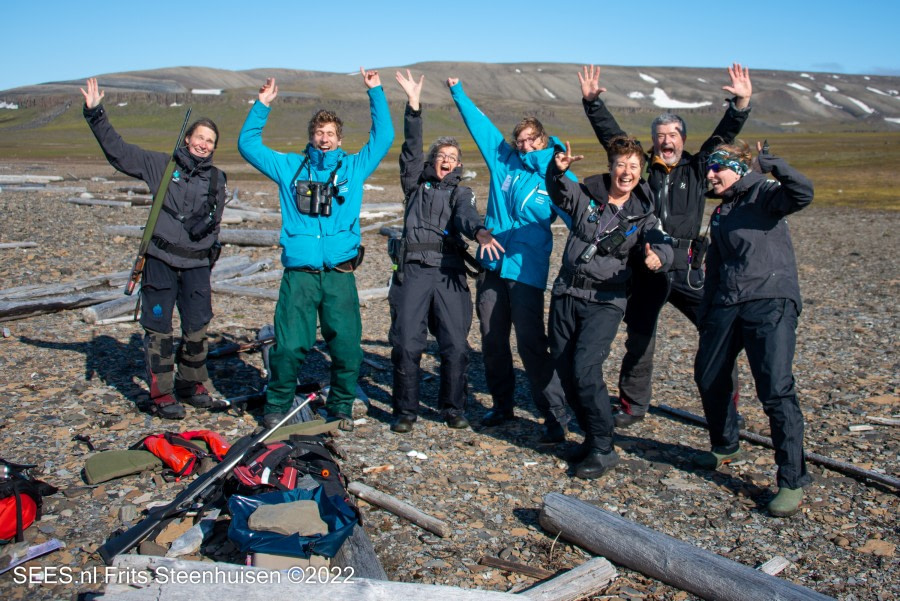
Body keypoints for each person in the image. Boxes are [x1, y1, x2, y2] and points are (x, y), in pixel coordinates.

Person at [578, 64, 752, 428]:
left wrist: (740, 103)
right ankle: (632, 406)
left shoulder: (697, 167)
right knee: (640, 338)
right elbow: (615, 139)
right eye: (659, 135)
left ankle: (728, 405)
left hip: (688, 268)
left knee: (717, 333)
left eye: (673, 134)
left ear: (683, 139)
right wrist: (593, 103)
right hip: (646, 265)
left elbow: (724, 136)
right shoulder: (644, 170)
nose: (665, 140)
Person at [237, 69, 394, 429]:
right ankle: (276, 403)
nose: (324, 138)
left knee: (347, 346)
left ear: (339, 139)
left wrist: (375, 92)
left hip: (339, 273)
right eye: (318, 133)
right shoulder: (290, 166)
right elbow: (247, 145)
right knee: (291, 345)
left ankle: (340, 404)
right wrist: (261, 105)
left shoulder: (353, 167)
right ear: (311, 136)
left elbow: (383, 136)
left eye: (330, 134)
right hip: (300, 274)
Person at [81, 78, 227, 420]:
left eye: (210, 141)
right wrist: (95, 113)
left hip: (196, 266)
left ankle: (192, 385)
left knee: (197, 328)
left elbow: (214, 224)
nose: (204, 145)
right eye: (200, 138)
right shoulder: (160, 165)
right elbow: (118, 151)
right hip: (160, 260)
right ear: (187, 139)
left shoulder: (218, 179)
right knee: (159, 331)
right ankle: (162, 395)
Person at [447, 77, 571, 443]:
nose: (525, 145)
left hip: (527, 270)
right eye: (520, 140)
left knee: (531, 342)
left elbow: (579, 214)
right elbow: (481, 127)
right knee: (492, 338)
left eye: (532, 139)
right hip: (491, 266)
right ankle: (502, 405)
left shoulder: (556, 172)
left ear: (544, 140)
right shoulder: (504, 161)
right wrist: (458, 92)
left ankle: (554, 415)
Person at [693, 140, 813, 517]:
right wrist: (707, 314)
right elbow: (716, 266)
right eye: (708, 169)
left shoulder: (765, 192)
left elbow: (803, 192)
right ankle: (726, 444)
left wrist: (771, 164)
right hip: (727, 303)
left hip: (770, 299)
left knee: (775, 389)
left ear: (739, 167)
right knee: (709, 375)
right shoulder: (721, 211)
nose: (709, 175)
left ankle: (791, 479)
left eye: (717, 168)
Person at [545, 137, 673, 479]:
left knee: (586, 370)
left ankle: (604, 447)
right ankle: (591, 435)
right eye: (621, 164)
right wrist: (557, 172)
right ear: (611, 166)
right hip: (566, 293)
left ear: (640, 171)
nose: (626, 172)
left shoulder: (643, 215)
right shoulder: (585, 195)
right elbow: (558, 191)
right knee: (564, 370)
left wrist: (659, 255)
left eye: (633, 166)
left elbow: (662, 241)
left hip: (606, 301)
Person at [389, 71, 505, 433]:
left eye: (453, 157)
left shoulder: (461, 192)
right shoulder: (414, 183)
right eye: (442, 155)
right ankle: (405, 411)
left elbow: (467, 216)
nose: (447, 161)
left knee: (455, 346)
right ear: (433, 159)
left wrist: (481, 232)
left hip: (451, 273)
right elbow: (411, 148)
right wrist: (413, 106)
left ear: (458, 164)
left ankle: (453, 408)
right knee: (408, 344)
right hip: (414, 271)